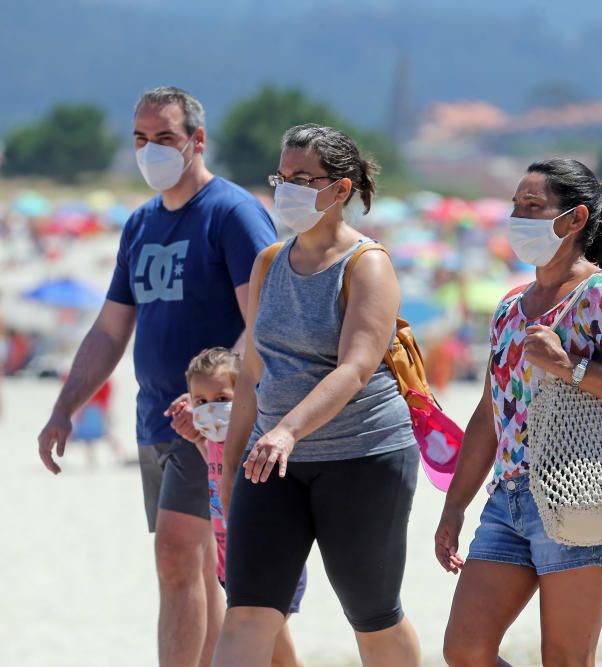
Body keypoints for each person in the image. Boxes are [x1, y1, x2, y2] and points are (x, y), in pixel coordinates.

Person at [36, 86, 277, 667]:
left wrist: (216, 402)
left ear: (197, 141)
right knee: (194, 565)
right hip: (154, 418)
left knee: (176, 554)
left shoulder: (232, 212)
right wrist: (66, 406)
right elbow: (110, 329)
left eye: (165, 138)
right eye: (141, 139)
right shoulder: (141, 223)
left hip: (212, 421)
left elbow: (265, 319)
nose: (151, 151)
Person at [435, 158, 602, 666]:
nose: (518, 217)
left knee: (564, 659)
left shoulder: (601, 294)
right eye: (517, 205)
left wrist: (570, 367)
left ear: (575, 218)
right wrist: (455, 504)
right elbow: (488, 414)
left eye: (533, 206)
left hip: (578, 494)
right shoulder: (511, 306)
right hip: (509, 500)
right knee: (465, 650)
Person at [213, 124, 421, 667]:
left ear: (341, 188)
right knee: (249, 611)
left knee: (372, 612)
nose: (289, 189)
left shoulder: (367, 265)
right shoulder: (269, 263)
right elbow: (254, 371)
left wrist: (288, 430)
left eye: (304, 178)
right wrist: (230, 463)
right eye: (283, 177)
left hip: (363, 456)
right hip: (271, 461)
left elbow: (355, 367)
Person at [185, 347, 305, 667]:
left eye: (222, 400)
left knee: (258, 648)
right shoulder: (212, 443)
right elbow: (218, 478)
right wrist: (199, 442)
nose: (211, 409)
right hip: (231, 568)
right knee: (278, 654)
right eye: (201, 402)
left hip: (270, 565)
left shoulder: (257, 438)